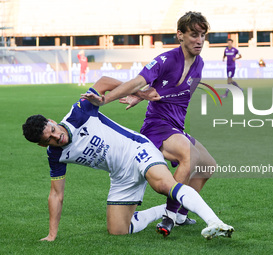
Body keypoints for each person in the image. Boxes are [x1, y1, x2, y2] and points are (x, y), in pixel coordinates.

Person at [22, 80, 234, 241]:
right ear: (43, 145)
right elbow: (56, 194)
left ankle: (215, 222)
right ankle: (166, 211)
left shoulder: (79, 113)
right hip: (120, 176)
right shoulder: (55, 155)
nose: (56, 137)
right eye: (49, 139)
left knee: (163, 185)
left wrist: (139, 93)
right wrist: (52, 235)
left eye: (53, 130)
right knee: (118, 231)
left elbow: (104, 81)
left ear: (52, 121)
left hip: (137, 149)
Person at [82, 11, 221, 237]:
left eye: (203, 35)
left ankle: (183, 214)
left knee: (208, 165)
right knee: (190, 155)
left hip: (176, 126)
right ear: (180, 35)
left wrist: (144, 95)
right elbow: (137, 80)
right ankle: (169, 215)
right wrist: (106, 99)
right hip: (157, 125)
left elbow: (177, 93)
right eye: (194, 34)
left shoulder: (199, 63)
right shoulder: (166, 60)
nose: (199, 40)